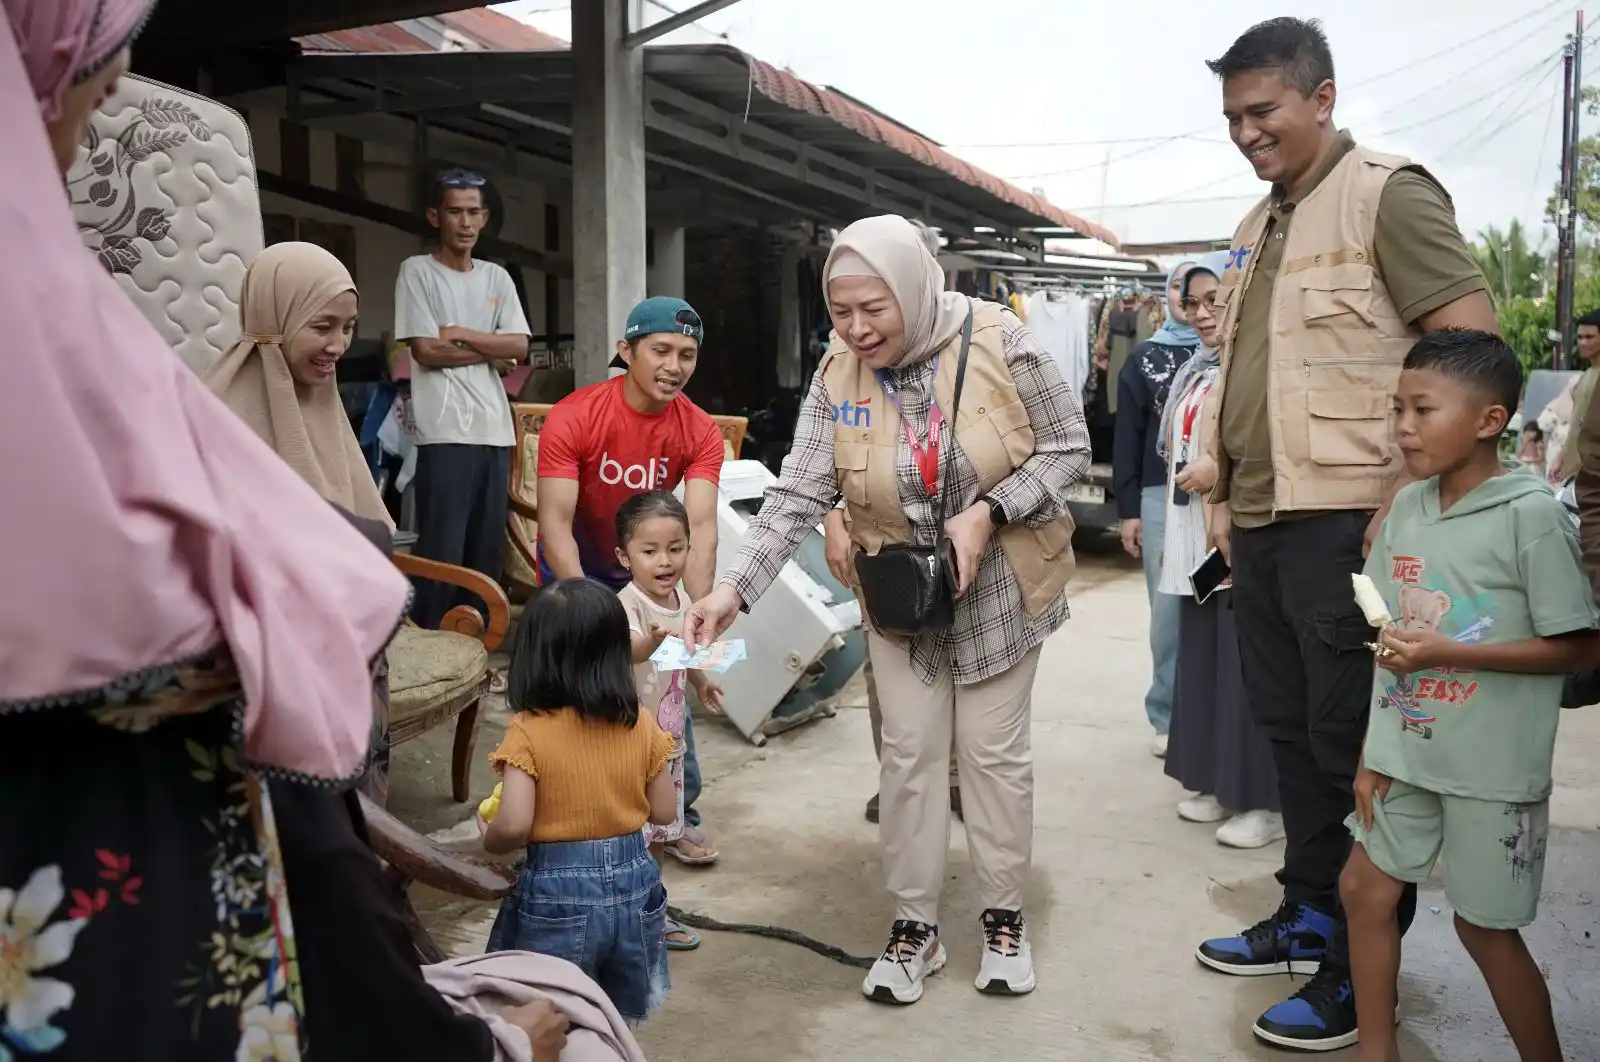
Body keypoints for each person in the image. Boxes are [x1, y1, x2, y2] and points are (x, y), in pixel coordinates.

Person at [0, 2, 567, 1057]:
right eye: (95, 76)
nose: (101, 106)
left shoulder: (93, 344)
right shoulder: (108, 378)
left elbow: (505, 353)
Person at [682, 214, 1090, 1005]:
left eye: (875, 308)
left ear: (913, 288)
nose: (858, 328)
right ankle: (915, 927)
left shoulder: (1003, 341)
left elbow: (1068, 446)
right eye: (841, 311)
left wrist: (991, 511)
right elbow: (798, 491)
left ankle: (1004, 917)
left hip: (1000, 585)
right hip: (900, 593)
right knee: (908, 755)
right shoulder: (838, 372)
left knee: (991, 756)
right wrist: (734, 589)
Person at [1194, 18, 1499, 1051]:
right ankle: (1309, 913)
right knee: (1290, 736)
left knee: (1353, 751)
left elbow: (1470, 346)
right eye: (1232, 116)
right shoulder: (1258, 222)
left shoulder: (1385, 194)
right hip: (1265, 522)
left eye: (1262, 111)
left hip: (1348, 527)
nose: (1246, 133)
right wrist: (1222, 491)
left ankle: (1357, 978)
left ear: (1321, 98)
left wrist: (1408, 493)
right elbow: (1245, 370)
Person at [1342, 329, 1597, 1062]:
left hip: (1492, 770)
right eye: (1398, 409)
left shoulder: (1531, 516)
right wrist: (1371, 753)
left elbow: (1581, 648)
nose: (1404, 427)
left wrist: (1452, 652)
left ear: (1490, 420)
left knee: (1483, 928)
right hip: (1406, 753)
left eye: (1423, 410)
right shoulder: (1407, 508)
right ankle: (1376, 1052)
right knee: (1364, 891)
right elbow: (1389, 639)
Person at [536, 296, 726, 866]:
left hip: (650, 574)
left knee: (666, 692)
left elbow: (701, 527)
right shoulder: (575, 415)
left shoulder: (700, 430)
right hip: (580, 570)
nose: (674, 366)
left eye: (687, 355)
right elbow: (555, 523)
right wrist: (591, 611)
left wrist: (696, 611)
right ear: (627, 350)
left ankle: (676, 818)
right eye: (661, 350)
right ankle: (568, 821)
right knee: (573, 700)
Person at [482, 578, 678, 1025]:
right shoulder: (640, 723)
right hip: (636, 883)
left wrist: (490, 838)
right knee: (615, 1015)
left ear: (534, 656)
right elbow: (665, 811)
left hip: (558, 892)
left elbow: (513, 825)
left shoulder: (528, 730)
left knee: (550, 1013)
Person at [1154, 255, 1283, 848]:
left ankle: (1263, 800)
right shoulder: (1199, 368)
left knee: (1245, 667)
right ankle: (1212, 779)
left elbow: (1267, 444)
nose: (1203, 314)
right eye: (1193, 303)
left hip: (1242, 530)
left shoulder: (1263, 367)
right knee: (1204, 660)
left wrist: (1220, 468)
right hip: (1197, 540)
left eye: (1216, 301)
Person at [395, 169, 531, 628]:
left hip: (495, 430)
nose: (466, 222)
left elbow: (519, 346)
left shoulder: (497, 278)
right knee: (443, 550)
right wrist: (490, 349)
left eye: (474, 212)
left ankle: (477, 646)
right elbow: (425, 351)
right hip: (445, 432)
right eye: (455, 212)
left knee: (484, 554)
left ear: (485, 217)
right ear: (435, 216)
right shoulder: (417, 271)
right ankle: (433, 643)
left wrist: (460, 334)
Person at [614, 491, 726, 950]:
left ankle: (651, 913)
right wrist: (654, 641)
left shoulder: (683, 599)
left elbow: (684, 651)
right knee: (632, 835)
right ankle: (627, 913)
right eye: (650, 551)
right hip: (633, 747)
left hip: (671, 744)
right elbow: (631, 649)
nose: (665, 561)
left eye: (675, 548)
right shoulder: (628, 604)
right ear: (624, 557)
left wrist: (702, 682)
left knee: (659, 835)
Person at [1114, 261, 1202, 758]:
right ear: (1167, 297)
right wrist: (1129, 509)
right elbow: (1128, 438)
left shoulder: (1230, 354)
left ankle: (1207, 715)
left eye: (1204, 295)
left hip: (1217, 498)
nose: (1191, 305)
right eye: (1180, 291)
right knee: (1167, 610)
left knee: (1213, 605)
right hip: (1158, 496)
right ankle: (1166, 714)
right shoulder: (1144, 357)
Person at [1549, 309, 1600, 482]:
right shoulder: (1586, 376)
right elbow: (1576, 424)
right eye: (1580, 337)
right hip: (1574, 470)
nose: (1583, 343)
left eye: (1589, 337)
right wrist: (1561, 457)